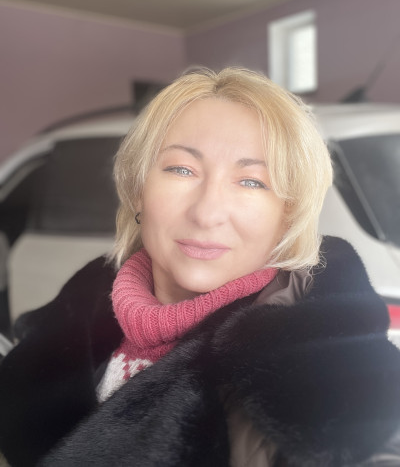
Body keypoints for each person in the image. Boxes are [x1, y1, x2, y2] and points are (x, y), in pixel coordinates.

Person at [1, 67, 400, 467]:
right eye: (181, 169)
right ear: (138, 190)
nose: (207, 213)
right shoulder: (75, 311)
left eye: (252, 181)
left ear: (287, 215)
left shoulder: (329, 385)